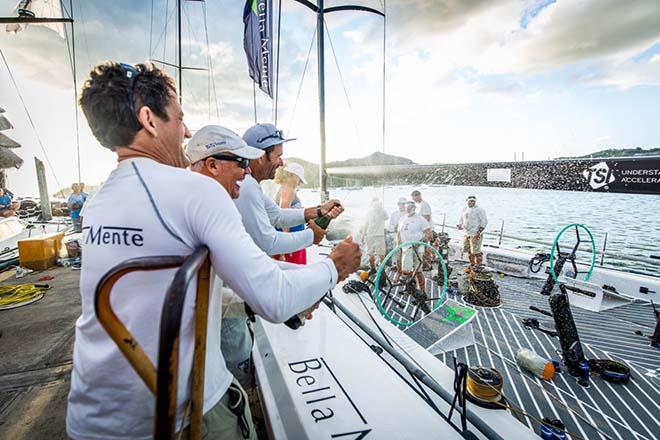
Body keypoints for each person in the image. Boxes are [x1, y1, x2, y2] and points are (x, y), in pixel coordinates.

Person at [67, 61, 361, 440]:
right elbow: (273, 296)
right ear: (149, 120)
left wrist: (249, 302)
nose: (186, 131)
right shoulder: (196, 190)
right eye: (179, 118)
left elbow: (167, 295)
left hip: (90, 416)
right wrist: (335, 268)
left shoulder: (96, 204)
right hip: (173, 415)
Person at [238, 122, 343, 257]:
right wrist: (311, 236)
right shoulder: (245, 185)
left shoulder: (250, 184)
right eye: (278, 156)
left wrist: (320, 210)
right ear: (260, 157)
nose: (281, 163)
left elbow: (278, 215)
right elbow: (268, 243)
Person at [273, 162, 308, 264]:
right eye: (299, 179)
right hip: (291, 240)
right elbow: (284, 216)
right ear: (293, 176)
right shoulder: (288, 190)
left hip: (292, 238)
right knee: (296, 272)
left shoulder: (283, 188)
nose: (299, 182)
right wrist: (285, 248)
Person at [398, 202, 432, 291]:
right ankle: (410, 289)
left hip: (418, 249)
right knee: (406, 271)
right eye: (407, 207)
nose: (409, 209)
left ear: (414, 208)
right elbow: (399, 233)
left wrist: (420, 242)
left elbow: (429, 234)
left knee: (418, 271)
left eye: (411, 207)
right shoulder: (402, 219)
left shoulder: (420, 219)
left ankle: (422, 291)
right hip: (405, 248)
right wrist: (399, 246)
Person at [457, 195, 488, 271]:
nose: (471, 202)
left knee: (476, 251)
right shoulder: (464, 209)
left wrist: (479, 232)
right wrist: (460, 225)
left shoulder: (480, 210)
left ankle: (478, 266)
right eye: (470, 201)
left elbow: (484, 221)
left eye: (473, 201)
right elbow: (461, 219)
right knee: (469, 250)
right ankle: (472, 264)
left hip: (475, 233)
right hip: (466, 233)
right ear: (467, 201)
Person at [362, 197, 389, 273]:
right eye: (374, 203)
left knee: (381, 255)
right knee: (370, 254)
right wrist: (363, 234)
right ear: (371, 204)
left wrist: (381, 209)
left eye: (377, 203)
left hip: (379, 235)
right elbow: (366, 223)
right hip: (369, 235)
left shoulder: (382, 211)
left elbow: (386, 217)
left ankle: (382, 270)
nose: (375, 204)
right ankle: (373, 268)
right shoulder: (369, 212)